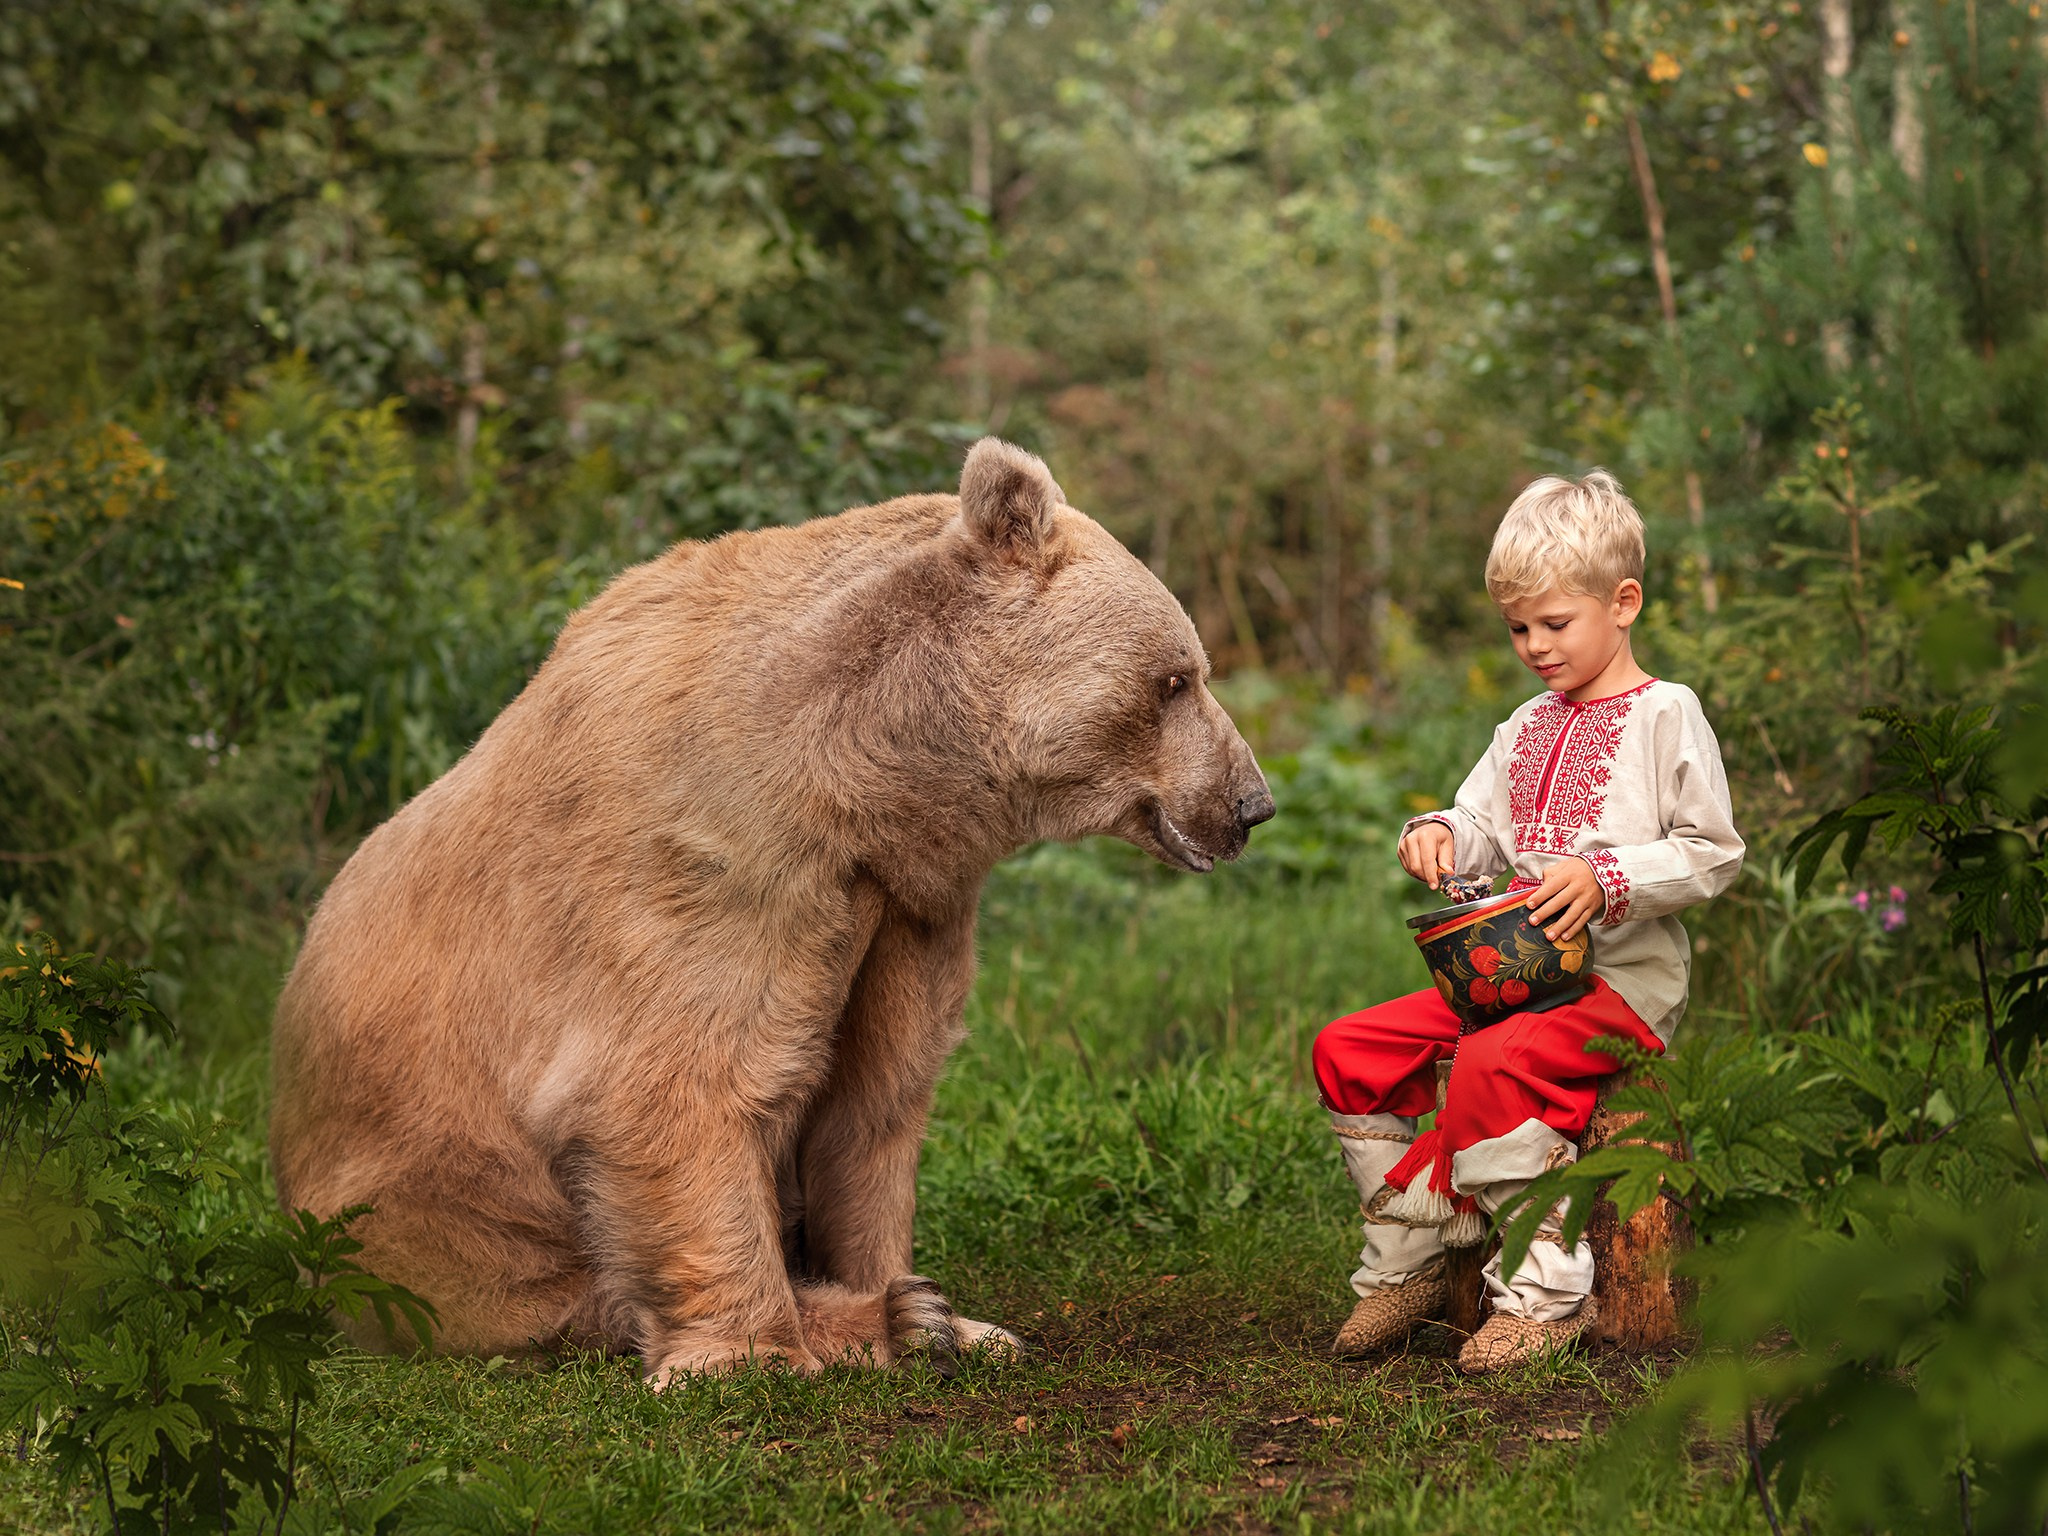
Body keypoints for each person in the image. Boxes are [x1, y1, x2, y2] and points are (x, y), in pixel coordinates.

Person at [1314, 470, 1744, 1374]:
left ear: (1623, 603)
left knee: (1490, 1059)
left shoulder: (1668, 714)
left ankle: (1543, 1294)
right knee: (1351, 1047)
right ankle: (1412, 1260)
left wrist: (1607, 875)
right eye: (1518, 628)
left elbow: (1714, 851)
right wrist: (1435, 833)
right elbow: (1480, 827)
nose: (1535, 647)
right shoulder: (1522, 726)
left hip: (1617, 986)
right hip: (1506, 979)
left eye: (1556, 624)